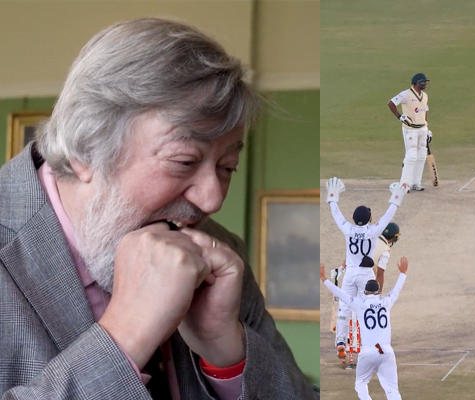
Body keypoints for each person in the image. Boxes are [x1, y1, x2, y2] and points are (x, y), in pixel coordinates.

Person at [0, 18, 318, 399]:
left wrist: (226, 352)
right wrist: (125, 335)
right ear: (85, 149)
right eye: (184, 161)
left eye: (227, 167)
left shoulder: (220, 253)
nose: (213, 200)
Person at [325, 177, 408, 359]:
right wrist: (395, 199)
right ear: (369, 219)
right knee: (368, 308)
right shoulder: (373, 231)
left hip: (350, 273)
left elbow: (336, 215)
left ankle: (340, 342)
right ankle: (369, 342)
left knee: (344, 308)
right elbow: (388, 216)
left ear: (354, 219)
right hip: (365, 274)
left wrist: (332, 198)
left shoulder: (348, 228)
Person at [320, 257, 409, 400]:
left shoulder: (359, 303)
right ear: (378, 291)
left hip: (368, 351)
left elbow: (341, 294)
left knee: (361, 383)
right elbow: (396, 290)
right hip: (386, 351)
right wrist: (403, 273)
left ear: (365, 292)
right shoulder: (385, 302)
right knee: (392, 390)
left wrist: (324, 279)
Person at [387, 73, 433, 191]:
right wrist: (399, 117)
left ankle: (415, 183)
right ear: (416, 83)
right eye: (423, 82)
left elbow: (424, 112)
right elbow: (391, 104)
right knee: (411, 156)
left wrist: (427, 129)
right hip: (410, 129)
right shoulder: (406, 94)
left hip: (422, 128)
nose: (425, 84)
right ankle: (404, 185)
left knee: (421, 155)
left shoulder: (425, 96)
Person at [372, 222, 401, 293]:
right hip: (365, 280)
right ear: (394, 237)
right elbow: (379, 274)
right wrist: (379, 294)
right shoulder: (385, 251)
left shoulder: (371, 239)